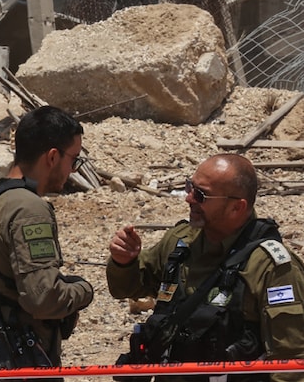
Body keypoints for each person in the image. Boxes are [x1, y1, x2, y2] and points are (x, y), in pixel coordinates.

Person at [108, 153, 304, 382]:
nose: (188, 198)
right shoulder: (180, 242)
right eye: (190, 186)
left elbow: (292, 362)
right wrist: (124, 261)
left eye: (201, 194)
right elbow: (127, 288)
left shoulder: (272, 268)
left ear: (236, 208)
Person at [0, 105, 95, 371]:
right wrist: (83, 290)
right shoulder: (28, 208)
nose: (73, 170)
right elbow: (43, 299)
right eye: (74, 159)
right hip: (22, 365)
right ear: (53, 157)